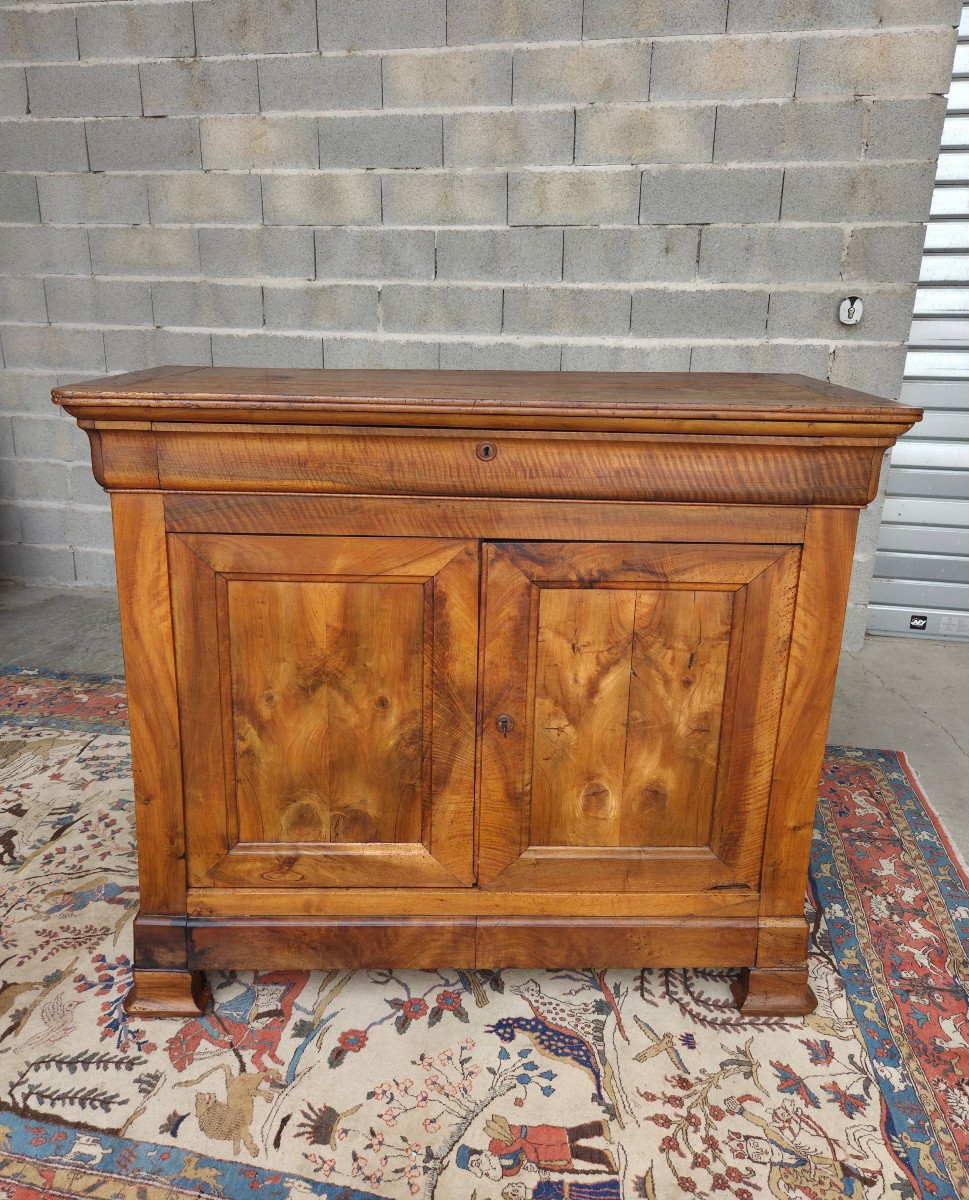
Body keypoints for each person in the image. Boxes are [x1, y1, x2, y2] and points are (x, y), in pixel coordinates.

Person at [456, 1117, 617, 1180]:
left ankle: (599, 1128)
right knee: (569, 1153)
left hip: (534, 1137)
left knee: (567, 1136)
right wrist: (530, 1163)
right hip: (538, 1155)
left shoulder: (495, 1146)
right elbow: (518, 1164)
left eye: (476, 1162)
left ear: (480, 1154)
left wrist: (530, 1159)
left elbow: (520, 1141)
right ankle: (604, 1157)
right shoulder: (505, 1171)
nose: (481, 1168)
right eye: (474, 1168)